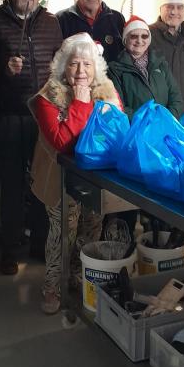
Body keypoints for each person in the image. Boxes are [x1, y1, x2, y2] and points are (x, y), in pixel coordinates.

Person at [0, 0, 62, 275]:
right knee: (11, 186)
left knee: (41, 184)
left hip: (44, 119)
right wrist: (4, 70)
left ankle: (39, 243)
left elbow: (59, 65)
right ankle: (9, 249)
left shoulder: (51, 22)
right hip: (10, 117)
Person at [29, 33, 122, 314]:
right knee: (63, 233)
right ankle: (53, 285)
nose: (81, 72)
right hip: (59, 178)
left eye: (87, 65)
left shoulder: (107, 91)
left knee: (91, 230)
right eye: (74, 64)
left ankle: (81, 277)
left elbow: (115, 132)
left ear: (96, 69)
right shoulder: (50, 96)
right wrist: (80, 105)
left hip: (96, 178)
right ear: (63, 66)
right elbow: (62, 142)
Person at [107, 16, 183, 120]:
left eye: (144, 36)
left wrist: (167, 119)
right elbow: (119, 107)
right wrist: (147, 121)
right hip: (137, 131)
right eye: (134, 36)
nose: (139, 40)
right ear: (125, 39)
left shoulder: (161, 63)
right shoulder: (114, 70)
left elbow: (176, 96)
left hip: (166, 126)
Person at [57, 0, 124, 63]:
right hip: (77, 77)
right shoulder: (61, 19)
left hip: (111, 78)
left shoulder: (117, 18)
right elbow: (57, 58)